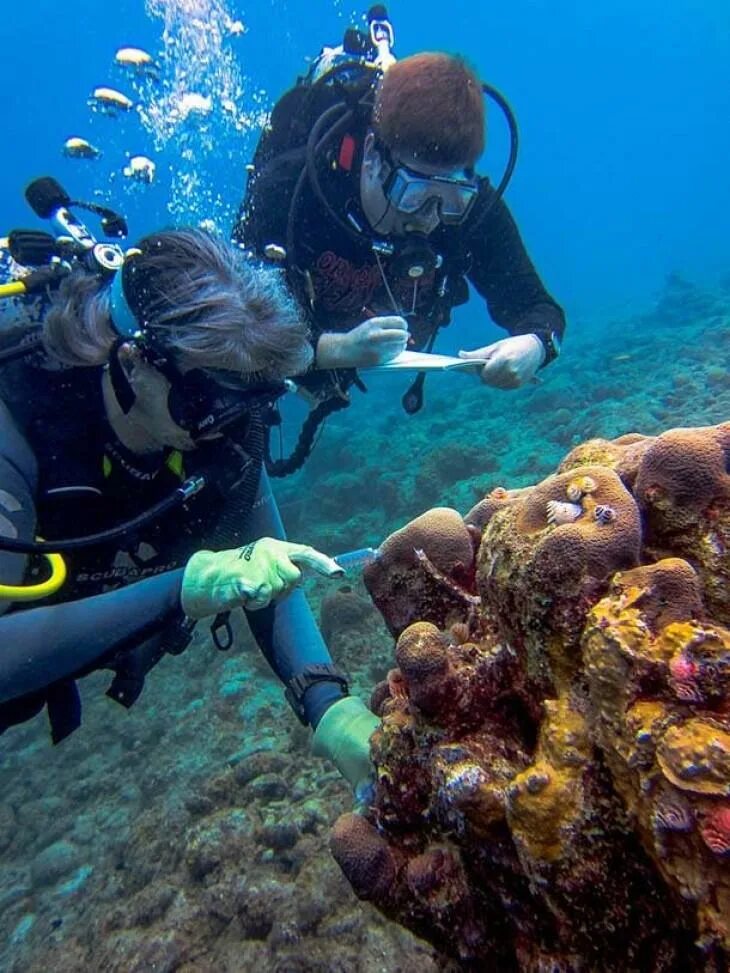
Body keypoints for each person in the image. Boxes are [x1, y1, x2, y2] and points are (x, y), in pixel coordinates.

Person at [0, 225, 378, 805]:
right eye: (210, 399)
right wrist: (183, 589)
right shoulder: (17, 421)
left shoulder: (223, 430)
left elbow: (270, 574)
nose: (230, 423)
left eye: (256, 399)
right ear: (134, 361)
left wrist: (330, 707)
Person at [234, 39, 566, 463]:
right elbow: (237, 325)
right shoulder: (290, 189)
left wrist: (536, 346)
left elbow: (538, 306)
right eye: (414, 193)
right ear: (372, 155)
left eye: (451, 198)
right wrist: (332, 351)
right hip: (295, 353)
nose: (428, 218)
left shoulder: (472, 209)